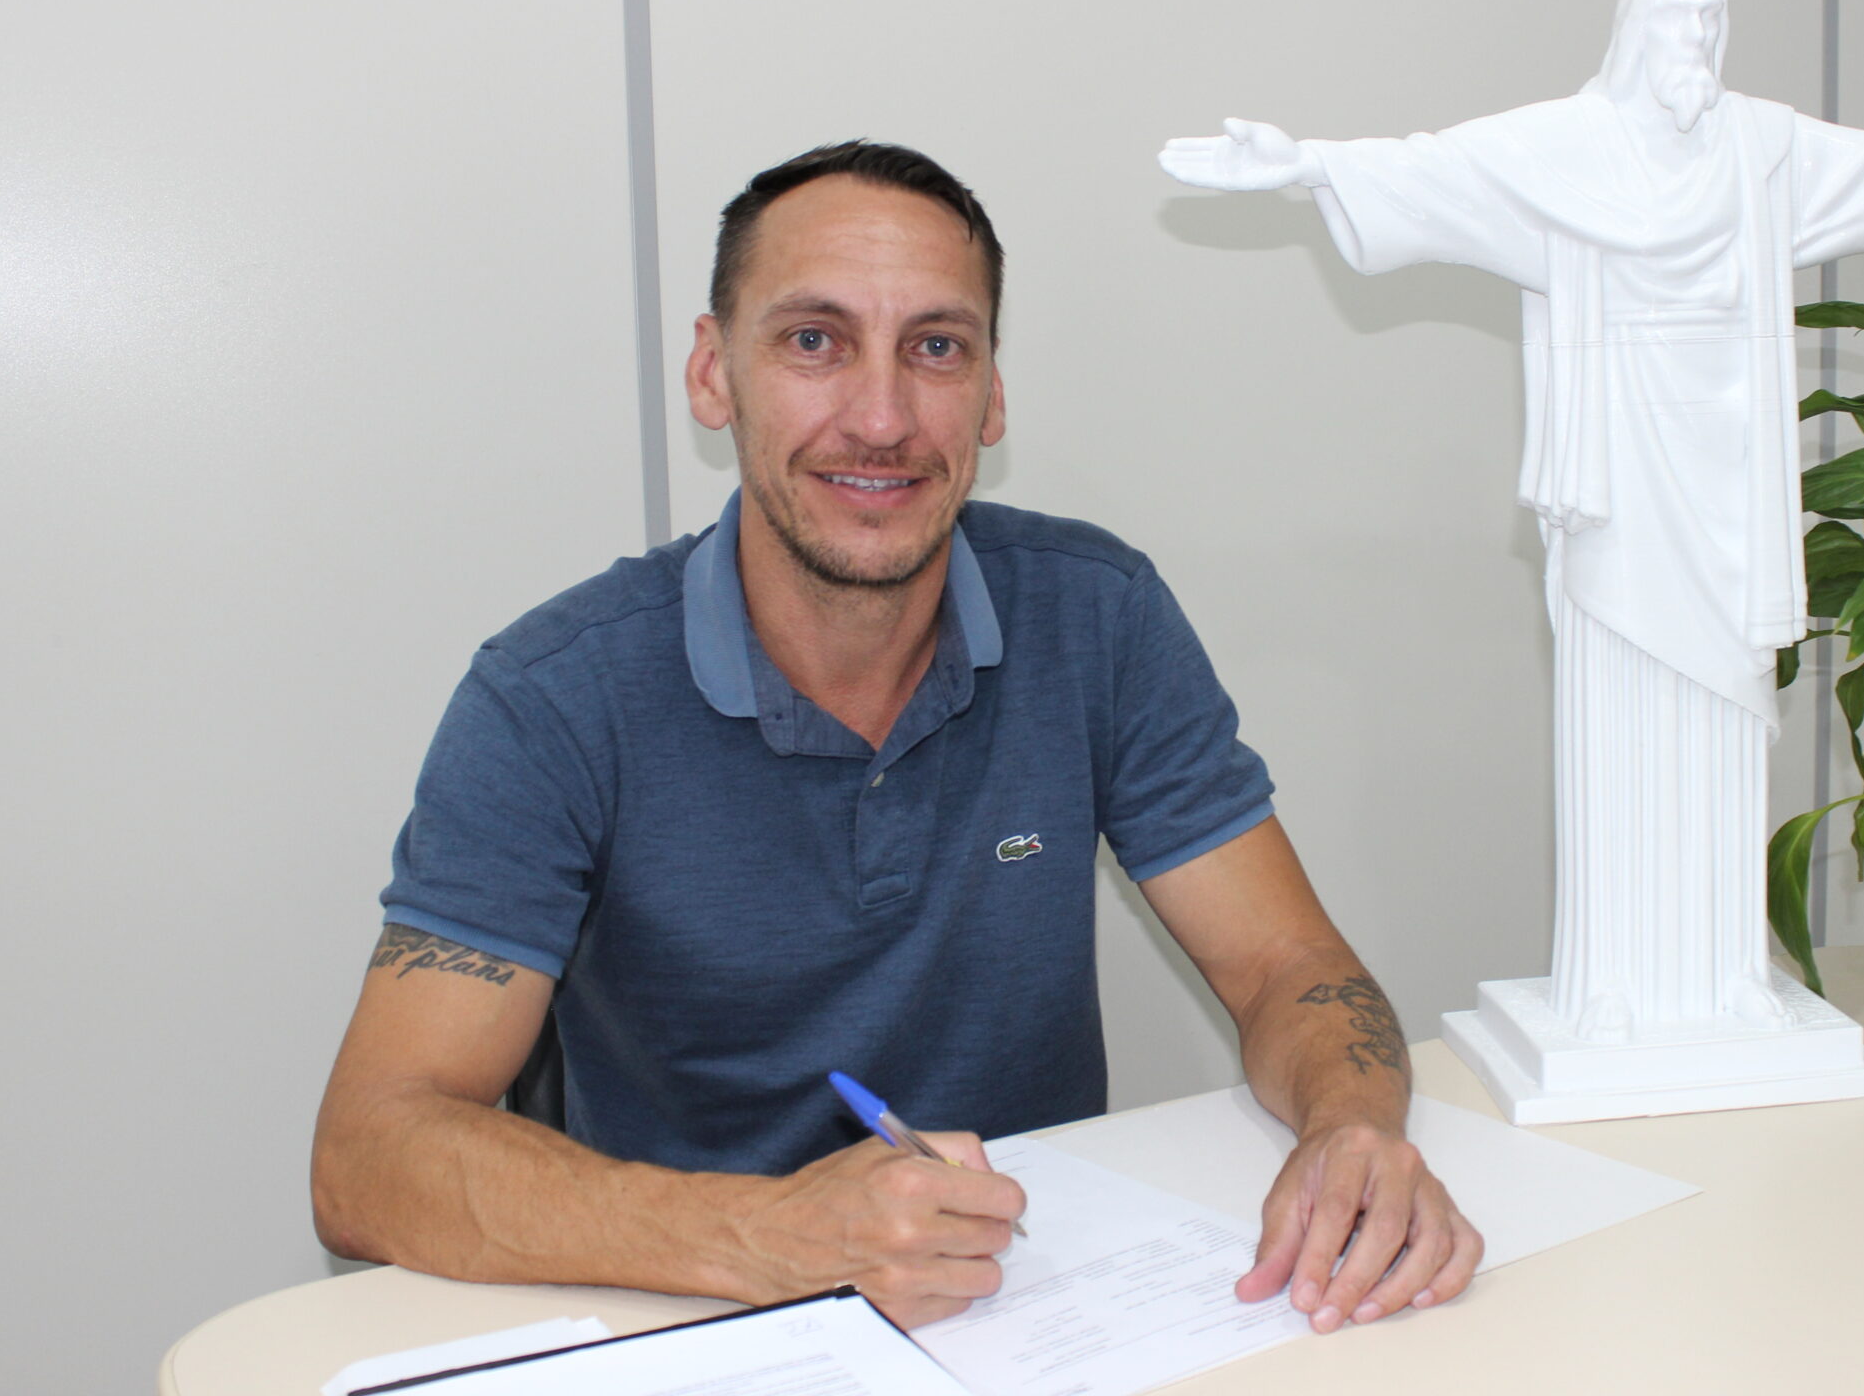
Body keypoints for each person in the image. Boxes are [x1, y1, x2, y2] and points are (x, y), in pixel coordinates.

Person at [312, 140, 1479, 1332]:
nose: (880, 419)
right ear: (714, 375)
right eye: (813, 341)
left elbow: (1287, 966)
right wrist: (777, 1239)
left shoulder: (1097, 614)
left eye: (935, 348)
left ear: (992, 396)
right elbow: (368, 1154)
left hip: (1039, 1305)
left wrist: (1350, 1131)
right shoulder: (552, 695)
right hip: (689, 1318)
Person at [1160, 0, 1864, 1045]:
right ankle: (1615, 984)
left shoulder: (1761, 146)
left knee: (1725, 722)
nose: (1698, 35)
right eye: (1680, 13)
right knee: (1621, 728)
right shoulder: (1565, 146)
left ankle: (1725, 978)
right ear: (1635, 25)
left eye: (1713, 13)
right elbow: (1438, 170)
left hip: (1729, 480)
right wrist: (1303, 165)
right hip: (1620, 481)